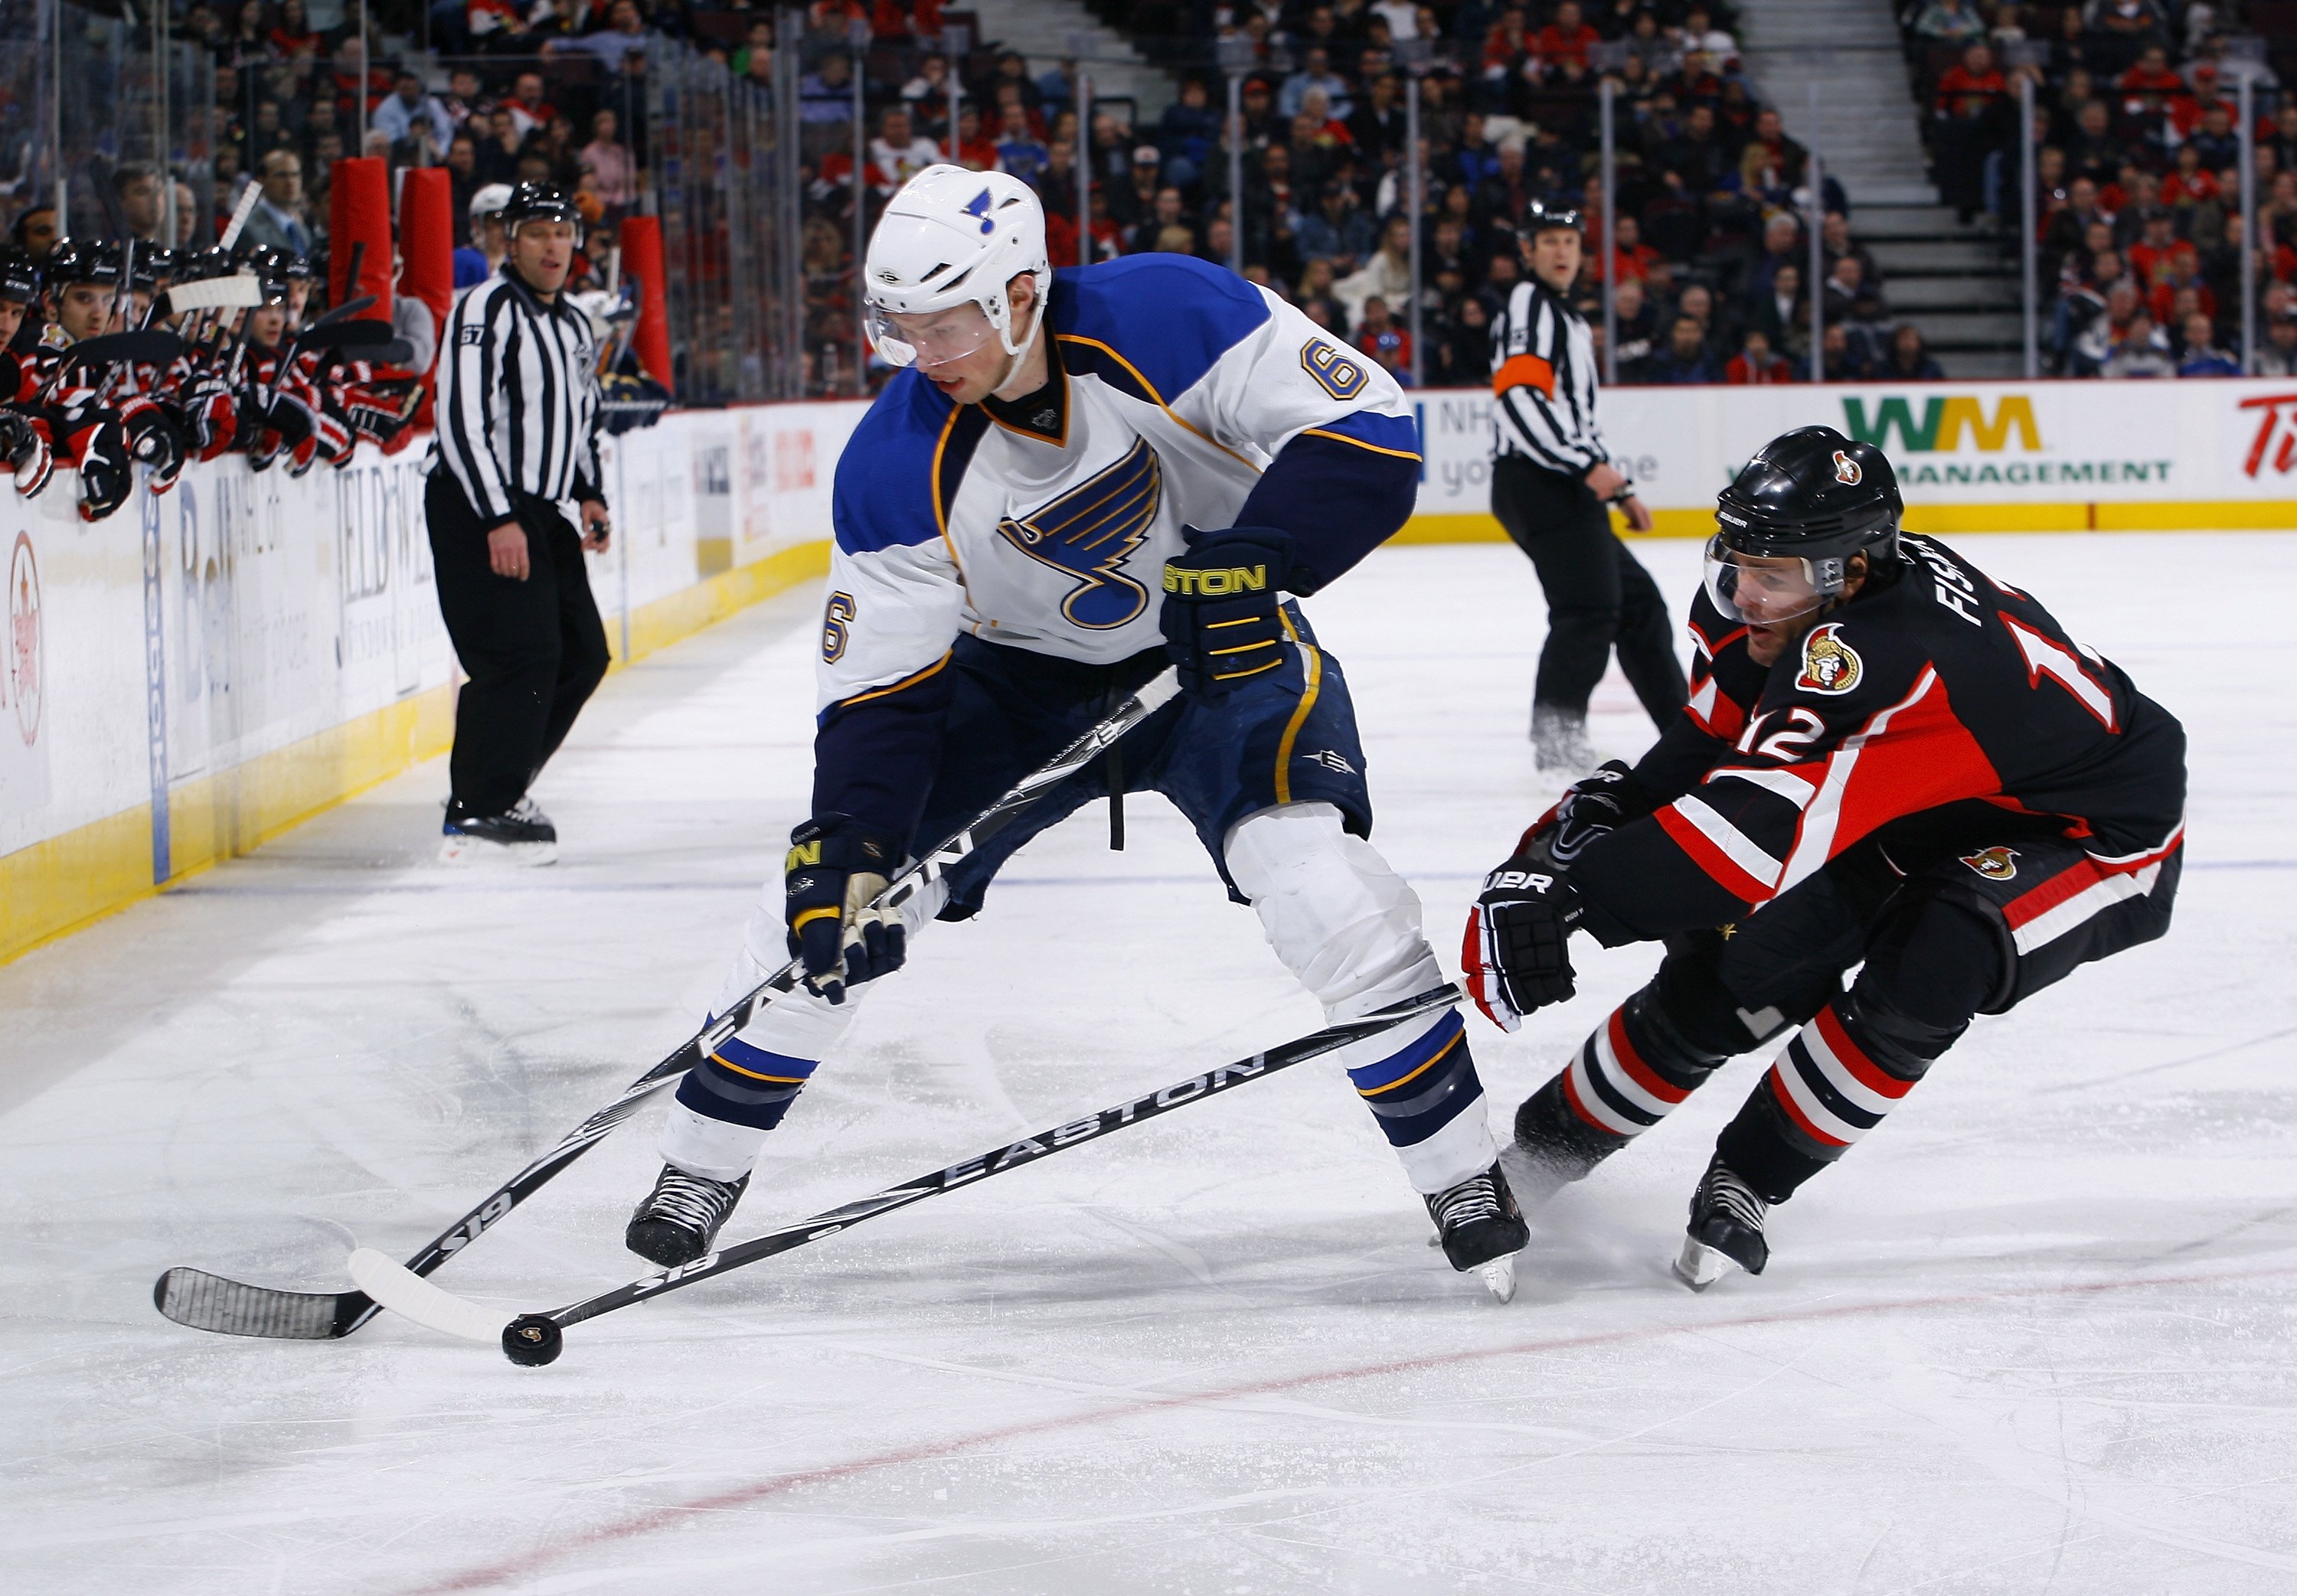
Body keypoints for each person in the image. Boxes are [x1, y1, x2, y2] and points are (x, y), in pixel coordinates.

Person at [622, 164, 1531, 1301]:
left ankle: (1458, 1173)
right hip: (1013, 691)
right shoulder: (896, 466)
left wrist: (1264, 558)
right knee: (821, 912)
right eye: (902, 326)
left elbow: (1370, 427)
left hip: (1221, 659)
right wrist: (851, 837)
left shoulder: (1172, 313)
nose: (925, 351)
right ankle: (697, 1169)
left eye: (944, 320)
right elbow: (880, 696)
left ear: (1016, 293)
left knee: (1323, 890)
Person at [1460, 426, 2186, 1288]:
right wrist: (1587, 833)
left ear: (1853, 572)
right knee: (1732, 978)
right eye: (1736, 563)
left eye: (1775, 576)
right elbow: (1706, 749)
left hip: (2089, 828)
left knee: (1940, 950)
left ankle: (1752, 1179)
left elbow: (1743, 842)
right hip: (1933, 800)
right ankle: (1537, 1162)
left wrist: (1575, 898)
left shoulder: (1883, 656)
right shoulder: (1791, 612)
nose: (1746, 594)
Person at [428, 184, 613, 865]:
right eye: (537, 232)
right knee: (518, 655)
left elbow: (579, 417)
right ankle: (478, 806)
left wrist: (589, 493)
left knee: (582, 650)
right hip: (480, 503)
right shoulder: (485, 309)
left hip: (542, 506)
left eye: (563, 232)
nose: (553, 245)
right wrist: (497, 517)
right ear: (509, 241)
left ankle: (500, 782)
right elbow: (459, 418)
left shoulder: (572, 324)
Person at [1488, 199, 1686, 773]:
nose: (1561, 252)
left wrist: (1618, 488)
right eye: (1548, 241)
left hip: (1561, 481)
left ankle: (1683, 734)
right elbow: (1520, 399)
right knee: (1588, 610)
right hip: (1540, 481)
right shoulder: (1532, 304)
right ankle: (1556, 743)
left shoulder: (1564, 317)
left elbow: (1569, 416)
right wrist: (1584, 467)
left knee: (1639, 606)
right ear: (1527, 251)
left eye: (1570, 242)